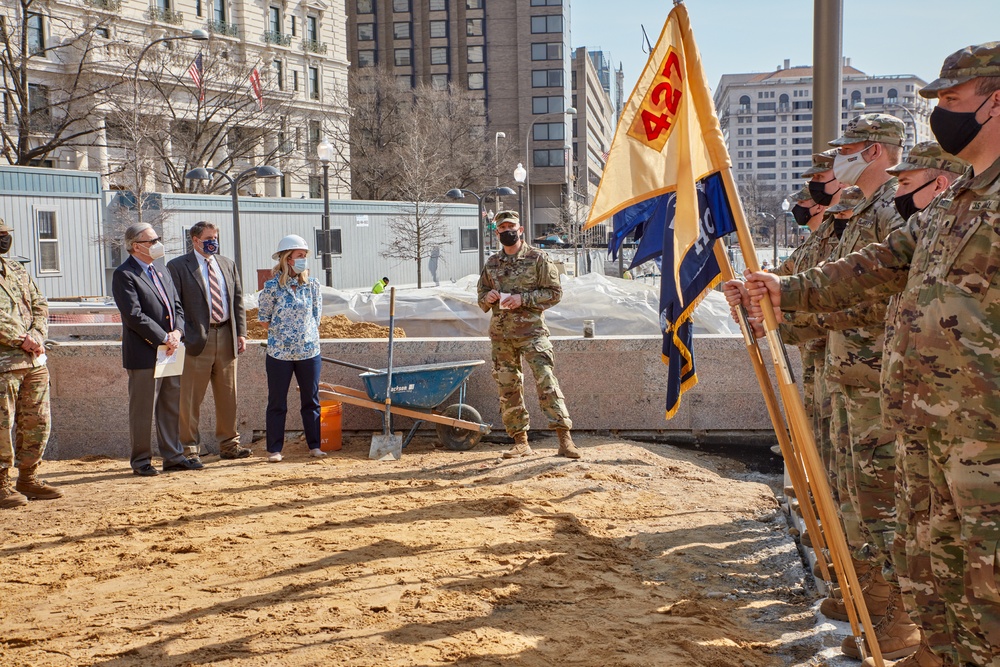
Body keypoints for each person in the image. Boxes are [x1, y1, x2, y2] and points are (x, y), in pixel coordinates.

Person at [738, 41, 1000, 667]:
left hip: (985, 437)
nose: (942, 114)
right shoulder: (959, 200)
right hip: (928, 428)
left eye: (954, 101)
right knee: (935, 574)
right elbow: (885, 264)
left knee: (988, 590)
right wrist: (787, 290)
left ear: (995, 101)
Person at [476, 210, 579, 460]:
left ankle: (564, 439)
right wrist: (487, 298)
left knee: (546, 381)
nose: (507, 231)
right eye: (502, 228)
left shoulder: (538, 258)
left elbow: (554, 293)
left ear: (520, 230)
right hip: (502, 337)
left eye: (511, 226)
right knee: (508, 387)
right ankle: (520, 441)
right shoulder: (491, 263)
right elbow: (481, 295)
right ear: (497, 232)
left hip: (532, 333)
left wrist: (524, 299)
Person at [112, 222, 201, 476]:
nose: (157, 244)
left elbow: (177, 306)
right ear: (135, 246)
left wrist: (177, 333)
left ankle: (173, 456)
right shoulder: (124, 274)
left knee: (170, 404)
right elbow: (133, 315)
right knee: (142, 409)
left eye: (156, 239)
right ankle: (141, 461)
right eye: (152, 241)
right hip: (145, 352)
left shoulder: (161, 270)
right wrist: (163, 337)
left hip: (171, 350)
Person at [167, 221, 251, 463]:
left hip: (227, 336)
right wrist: (180, 334)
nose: (213, 241)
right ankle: (189, 450)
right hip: (195, 341)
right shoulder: (178, 267)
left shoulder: (227, 264)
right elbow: (175, 305)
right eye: (208, 238)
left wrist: (241, 333)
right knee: (190, 398)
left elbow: (237, 301)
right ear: (195, 240)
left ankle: (230, 445)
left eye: (215, 237)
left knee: (228, 395)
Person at [0, 219, 62, 508]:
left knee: (37, 420)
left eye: (5, 235)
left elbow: (40, 304)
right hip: (5, 363)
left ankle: (28, 477)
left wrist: (36, 335)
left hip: (33, 360)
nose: (4, 239)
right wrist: (20, 338)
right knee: (3, 424)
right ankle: (1, 483)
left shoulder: (16, 269)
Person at [258, 235, 324, 462]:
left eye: (305, 256)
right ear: (287, 259)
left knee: (311, 400)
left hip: (308, 352)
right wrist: (283, 334)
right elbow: (264, 318)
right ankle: (274, 449)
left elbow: (317, 316)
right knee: (277, 402)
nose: (303, 260)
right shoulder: (271, 287)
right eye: (299, 256)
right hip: (279, 354)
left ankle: (315, 445)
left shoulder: (312, 286)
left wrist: (305, 336)